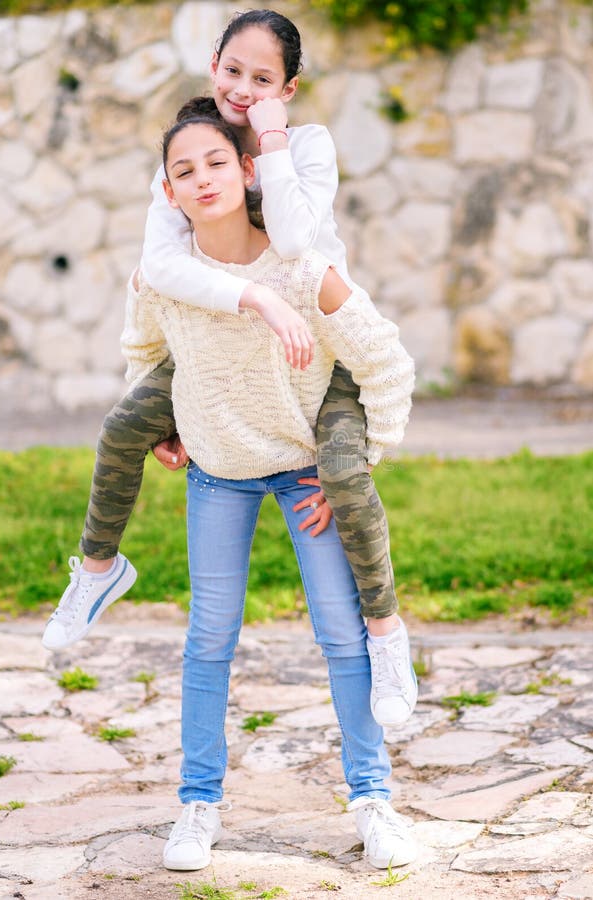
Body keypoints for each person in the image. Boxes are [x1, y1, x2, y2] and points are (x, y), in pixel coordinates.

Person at [42, 9, 417, 730]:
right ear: (212, 62)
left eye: (263, 78)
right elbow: (158, 268)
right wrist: (239, 308)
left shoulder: (303, 144)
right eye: (233, 70)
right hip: (214, 344)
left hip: (315, 349)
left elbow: (295, 236)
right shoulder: (188, 153)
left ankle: (386, 634)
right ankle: (97, 568)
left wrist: (270, 141)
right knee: (123, 425)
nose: (243, 88)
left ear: (290, 87)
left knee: (342, 473)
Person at [128, 110, 416, 872]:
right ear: (168, 192)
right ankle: (197, 806)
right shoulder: (163, 276)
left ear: (247, 170)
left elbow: (386, 362)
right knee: (208, 639)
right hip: (216, 474)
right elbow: (143, 351)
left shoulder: (299, 267)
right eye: (184, 171)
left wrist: (361, 460)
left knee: (339, 631)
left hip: (300, 474)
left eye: (215, 162)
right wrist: (164, 421)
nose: (202, 179)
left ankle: (372, 799)